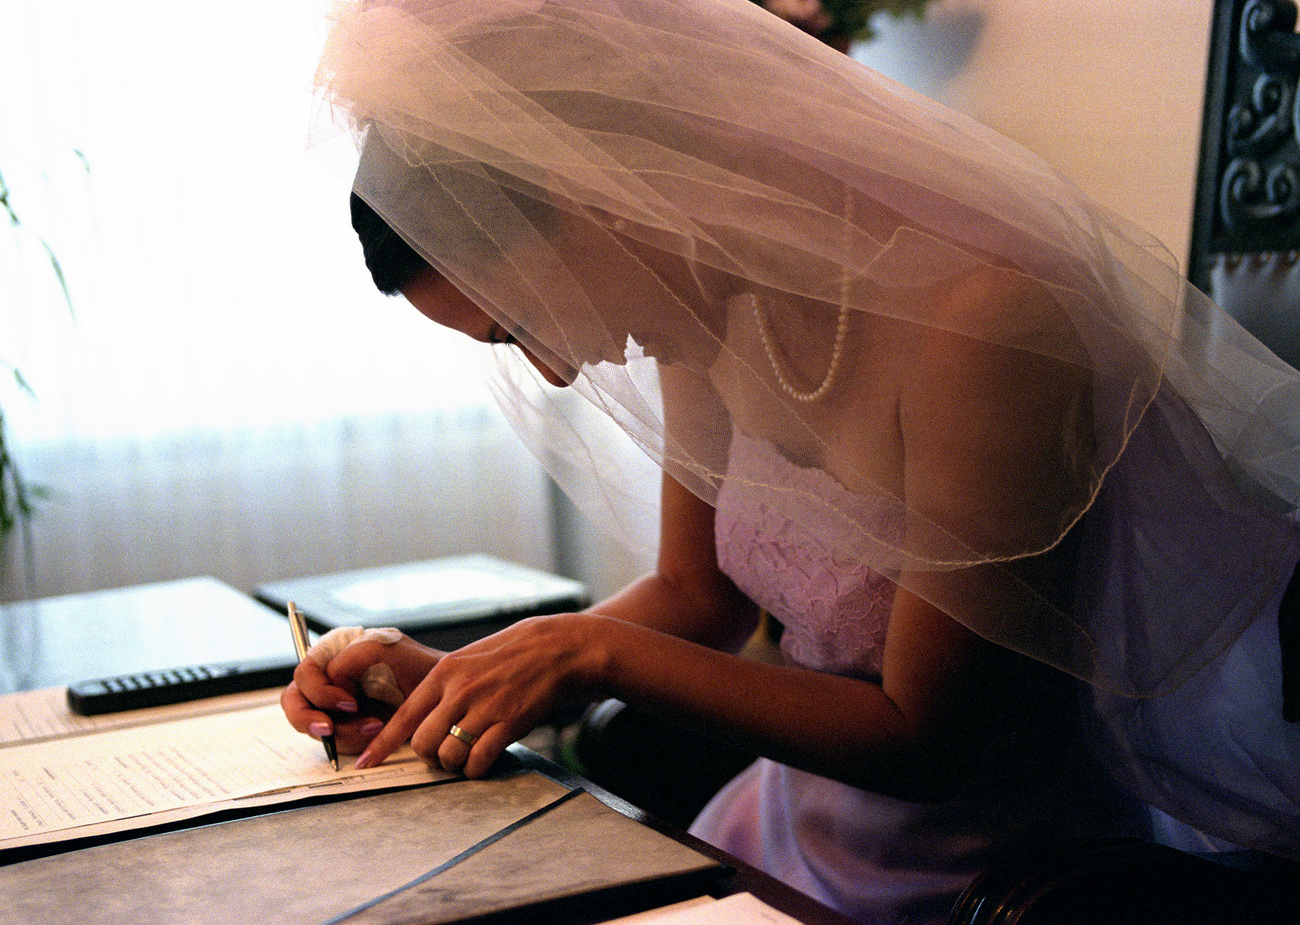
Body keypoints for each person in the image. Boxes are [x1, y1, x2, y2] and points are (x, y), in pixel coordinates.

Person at [281, 1, 1300, 920]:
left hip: (993, 882)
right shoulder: (700, 309)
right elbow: (695, 595)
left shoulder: (985, 321)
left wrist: (582, 649)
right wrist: (454, 679)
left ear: (588, 192)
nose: (552, 370)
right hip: (769, 841)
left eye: (522, 321)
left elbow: (925, 739)